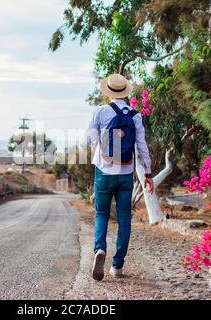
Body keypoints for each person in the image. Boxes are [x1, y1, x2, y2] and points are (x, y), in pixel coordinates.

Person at [86, 73, 154, 281]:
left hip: (104, 171)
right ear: (125, 93)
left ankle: (100, 250)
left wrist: (100, 143)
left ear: (108, 92)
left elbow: (89, 137)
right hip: (125, 173)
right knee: (124, 218)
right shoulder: (135, 115)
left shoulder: (101, 111)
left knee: (102, 213)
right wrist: (148, 172)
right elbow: (141, 146)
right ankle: (117, 266)